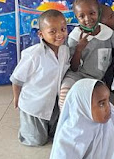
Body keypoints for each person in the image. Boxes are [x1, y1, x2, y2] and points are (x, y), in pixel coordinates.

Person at [10, 10, 72, 146]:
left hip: (52, 102)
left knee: (60, 134)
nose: (60, 35)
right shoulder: (34, 55)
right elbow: (16, 79)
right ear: (41, 34)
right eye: (53, 32)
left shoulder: (64, 51)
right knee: (37, 141)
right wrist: (17, 98)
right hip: (34, 105)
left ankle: (46, 127)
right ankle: (26, 129)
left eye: (63, 29)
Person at [60, 0, 114, 107]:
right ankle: (65, 120)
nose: (87, 19)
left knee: (101, 101)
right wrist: (78, 49)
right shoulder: (75, 37)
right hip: (77, 76)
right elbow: (73, 68)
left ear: (98, 12)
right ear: (76, 17)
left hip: (96, 79)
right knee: (65, 90)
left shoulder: (107, 33)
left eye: (92, 13)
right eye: (81, 16)